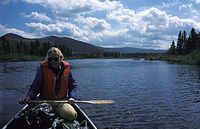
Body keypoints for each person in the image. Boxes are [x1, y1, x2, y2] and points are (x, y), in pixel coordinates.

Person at [19, 47, 78, 121]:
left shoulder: (67, 70)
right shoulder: (42, 70)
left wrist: (72, 97)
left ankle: (57, 113)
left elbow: (73, 86)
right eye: (50, 59)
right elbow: (35, 87)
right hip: (45, 101)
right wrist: (29, 96)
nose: (53, 61)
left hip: (61, 101)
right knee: (42, 116)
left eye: (55, 59)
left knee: (72, 115)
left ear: (61, 58)